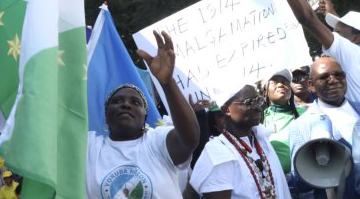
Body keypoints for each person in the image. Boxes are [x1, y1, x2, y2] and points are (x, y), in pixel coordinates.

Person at [86, 31, 200, 198]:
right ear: (106, 114)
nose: (126, 104)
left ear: (145, 116)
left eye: (136, 102)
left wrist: (167, 83)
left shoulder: (157, 141)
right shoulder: (89, 147)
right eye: (117, 101)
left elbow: (190, 138)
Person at [249, 0, 360, 114]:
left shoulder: (351, 54)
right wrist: (333, 14)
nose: (333, 34)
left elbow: (308, 19)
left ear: (356, 39)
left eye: (339, 30)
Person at [190, 84, 291, 198]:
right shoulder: (217, 153)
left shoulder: (261, 139)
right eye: (248, 102)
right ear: (226, 110)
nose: (258, 107)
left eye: (258, 100)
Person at [287, 57, 360, 198]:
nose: (333, 80)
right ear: (311, 85)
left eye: (338, 75)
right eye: (324, 77)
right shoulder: (300, 126)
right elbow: (300, 182)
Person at [263, 69, 306, 174]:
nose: (280, 85)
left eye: (285, 82)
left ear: (291, 91)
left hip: (307, 178)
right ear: (266, 91)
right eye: (274, 82)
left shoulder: (304, 114)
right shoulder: (259, 118)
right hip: (277, 183)